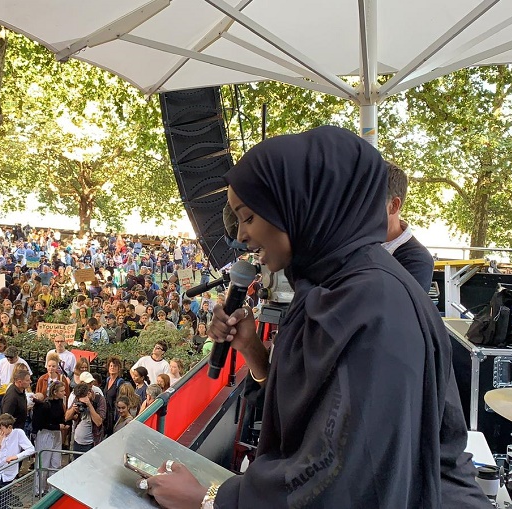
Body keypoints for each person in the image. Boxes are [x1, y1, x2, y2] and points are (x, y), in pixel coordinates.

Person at [145, 126, 487, 508]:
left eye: (249, 217)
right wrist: (252, 349)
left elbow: (342, 482)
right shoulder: (336, 288)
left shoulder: (373, 306)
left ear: (299, 207)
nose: (241, 236)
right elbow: (323, 410)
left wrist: (210, 500)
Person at [384, 161, 435, 290]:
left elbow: (395, 308)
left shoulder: (417, 261)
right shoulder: (351, 242)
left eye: (370, 201)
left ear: (394, 206)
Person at [0, 413, 34, 509]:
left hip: (8, 475)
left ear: (9, 427)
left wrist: (16, 456)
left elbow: (31, 449)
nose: (0, 431)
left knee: (2, 503)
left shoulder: (18, 433)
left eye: (2, 429)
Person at [31, 382, 68, 497]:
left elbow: (61, 417)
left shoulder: (60, 402)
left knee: (55, 462)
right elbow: (41, 424)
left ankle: (52, 488)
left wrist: (63, 424)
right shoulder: (46, 405)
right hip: (46, 434)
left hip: (57, 434)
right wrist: (57, 426)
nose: (64, 393)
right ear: (55, 392)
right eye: (62, 391)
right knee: (44, 462)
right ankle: (39, 489)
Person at [64, 374, 106, 454]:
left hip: (92, 443)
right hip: (77, 441)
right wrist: (73, 409)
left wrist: (89, 404)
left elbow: (98, 422)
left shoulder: (99, 399)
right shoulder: (78, 396)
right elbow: (66, 417)